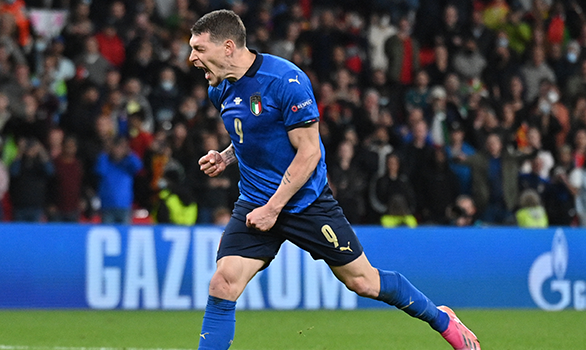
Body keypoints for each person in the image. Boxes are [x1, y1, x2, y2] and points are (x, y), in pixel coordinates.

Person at [189, 10, 480, 350]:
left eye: (198, 48)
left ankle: (443, 319)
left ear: (227, 47)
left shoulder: (285, 81)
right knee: (223, 283)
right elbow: (253, 133)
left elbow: (309, 153)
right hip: (255, 202)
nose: (192, 58)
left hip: (305, 203)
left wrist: (274, 208)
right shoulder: (220, 88)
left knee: (364, 282)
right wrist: (226, 156)